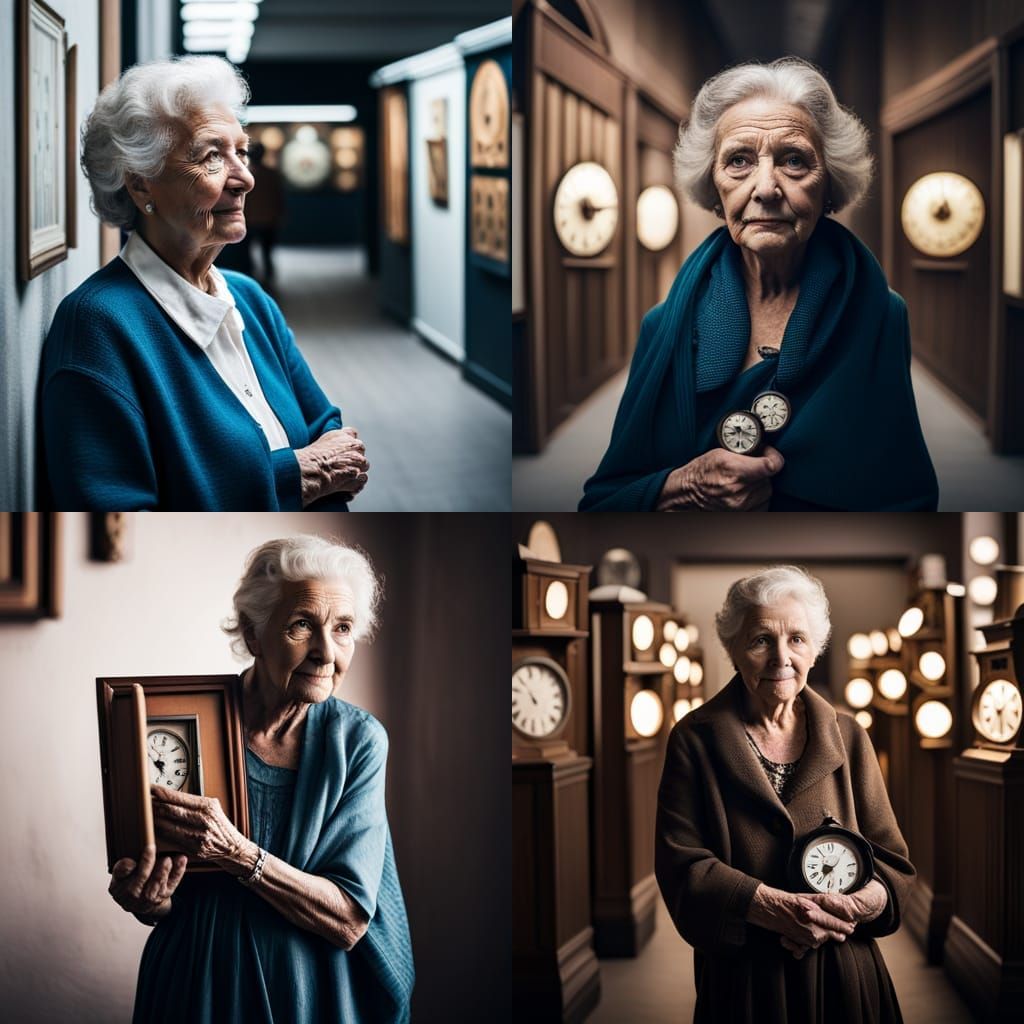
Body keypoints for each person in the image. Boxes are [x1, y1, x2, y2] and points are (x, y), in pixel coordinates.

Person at [580, 58, 937, 511]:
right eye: (739, 161)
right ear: (713, 189)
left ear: (830, 186)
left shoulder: (882, 315)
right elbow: (603, 500)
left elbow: (904, 494)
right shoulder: (662, 325)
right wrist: (685, 486)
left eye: (793, 160)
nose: (766, 187)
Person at [107, 535, 414, 1023]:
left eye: (343, 628)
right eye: (301, 626)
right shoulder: (181, 721)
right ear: (253, 635)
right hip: (195, 984)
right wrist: (149, 899)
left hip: (307, 993)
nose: (325, 652)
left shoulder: (359, 741)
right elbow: (169, 894)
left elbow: (350, 919)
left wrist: (236, 852)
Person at [40, 56, 368, 510]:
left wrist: (311, 467)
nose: (246, 179)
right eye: (213, 156)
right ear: (141, 186)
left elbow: (328, 430)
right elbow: (121, 512)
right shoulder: (97, 328)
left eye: (243, 151)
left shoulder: (250, 299)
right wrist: (297, 475)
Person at [655, 566, 913, 1023]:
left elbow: (893, 866)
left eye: (797, 638)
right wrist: (772, 907)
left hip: (845, 976)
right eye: (760, 640)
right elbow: (681, 868)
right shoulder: (693, 739)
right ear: (733, 649)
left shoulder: (850, 735)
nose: (781, 657)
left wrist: (851, 906)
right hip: (746, 985)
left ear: (815, 648)